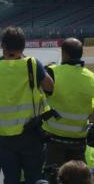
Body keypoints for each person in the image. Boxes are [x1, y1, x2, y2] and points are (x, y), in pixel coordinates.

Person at [0, 27, 54, 184]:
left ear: (3, 46)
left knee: (11, 179)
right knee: (34, 178)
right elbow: (50, 87)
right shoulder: (32, 64)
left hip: (5, 137)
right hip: (31, 133)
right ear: (23, 47)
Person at [41, 38, 94, 183]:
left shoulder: (52, 72)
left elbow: (38, 97)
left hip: (54, 140)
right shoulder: (91, 78)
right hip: (78, 141)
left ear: (64, 54)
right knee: (78, 179)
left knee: (52, 177)